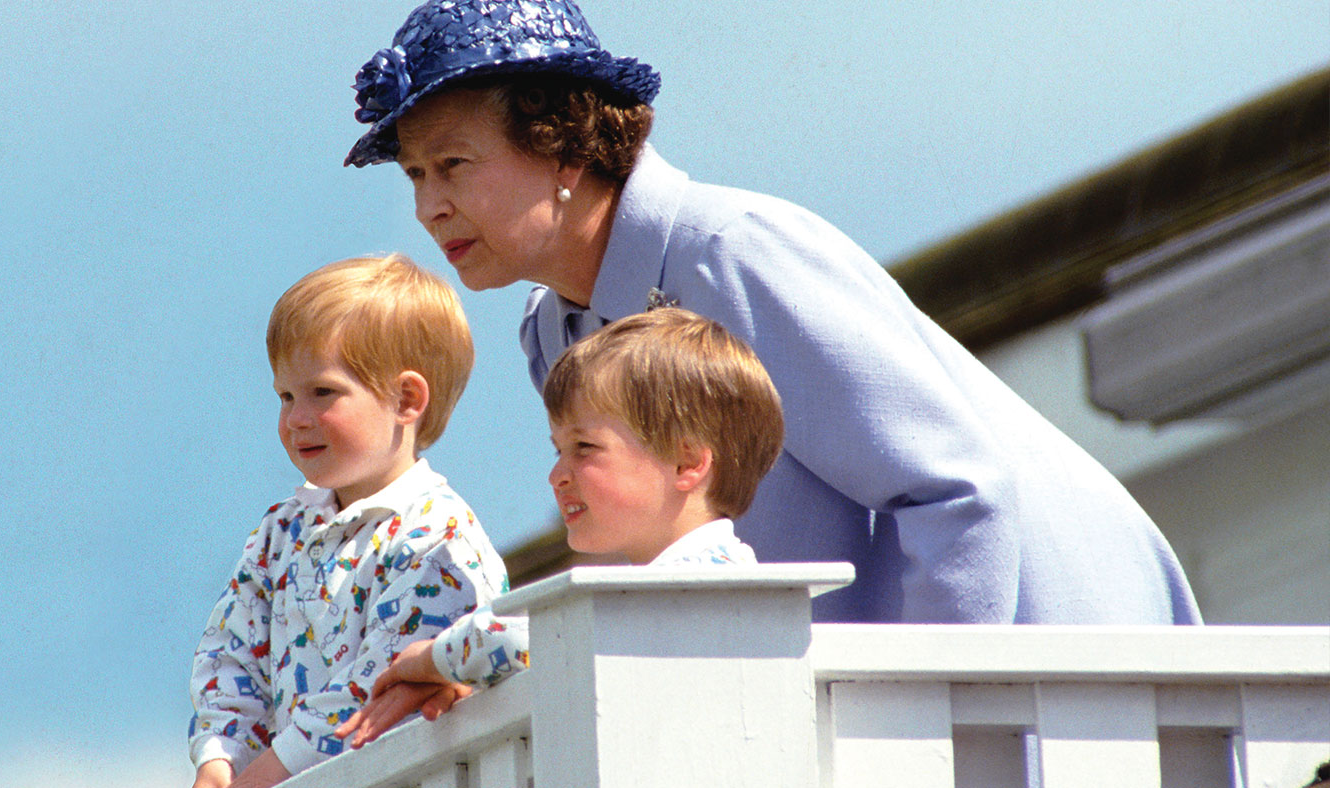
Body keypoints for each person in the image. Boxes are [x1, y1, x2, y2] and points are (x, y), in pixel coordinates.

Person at [343, 0, 1202, 625]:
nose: (429, 208)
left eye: (452, 164)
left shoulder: (732, 250)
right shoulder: (553, 332)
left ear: (561, 141)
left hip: (1062, 670)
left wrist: (915, 731)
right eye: (414, 175)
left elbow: (956, 487)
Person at [334, 307, 785, 746]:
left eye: (585, 447)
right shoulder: (673, 590)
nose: (557, 476)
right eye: (558, 451)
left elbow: (529, 635)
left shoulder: (703, 581)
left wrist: (431, 660)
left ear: (687, 462)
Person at [187, 254, 509, 788]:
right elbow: (230, 650)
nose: (296, 419)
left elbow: (380, 684)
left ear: (407, 399)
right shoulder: (282, 530)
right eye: (285, 396)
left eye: (323, 392)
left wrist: (262, 779)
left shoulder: (438, 537)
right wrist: (219, 758)